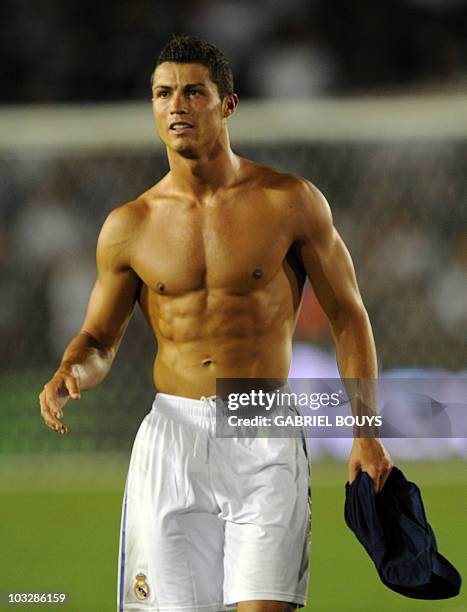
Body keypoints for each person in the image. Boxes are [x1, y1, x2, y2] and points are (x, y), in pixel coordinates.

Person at [39, 35, 394, 612]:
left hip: (260, 424)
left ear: (227, 104)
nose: (176, 105)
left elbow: (348, 317)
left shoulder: (290, 201)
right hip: (171, 436)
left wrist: (366, 431)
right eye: (162, 94)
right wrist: (71, 368)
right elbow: (99, 340)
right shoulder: (129, 225)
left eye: (192, 92)